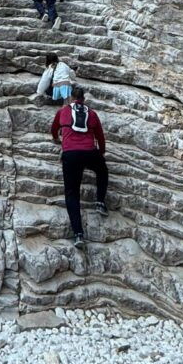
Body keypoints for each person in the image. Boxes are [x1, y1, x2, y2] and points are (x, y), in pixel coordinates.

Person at [51, 86, 108, 248]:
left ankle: (78, 235)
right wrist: (100, 154)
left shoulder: (63, 111)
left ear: (71, 98)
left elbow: (54, 129)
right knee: (102, 171)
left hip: (70, 154)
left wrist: (56, 138)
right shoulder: (92, 113)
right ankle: (100, 202)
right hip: (89, 152)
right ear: (84, 99)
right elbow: (100, 137)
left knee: (72, 192)